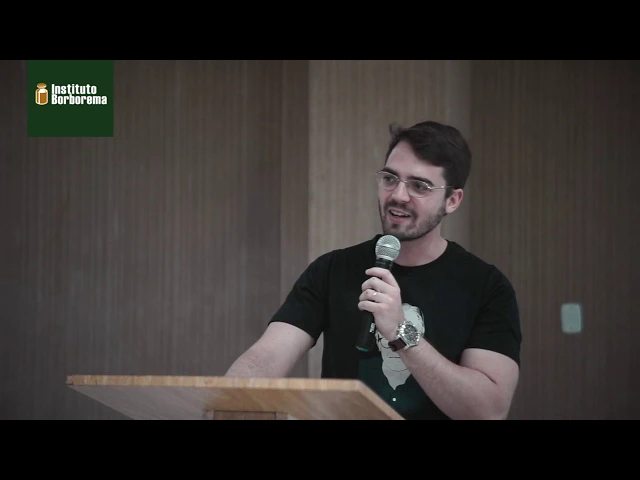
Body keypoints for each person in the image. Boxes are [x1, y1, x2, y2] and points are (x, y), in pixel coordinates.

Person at [225, 120, 522, 420]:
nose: (399, 195)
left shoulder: (487, 287)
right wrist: (229, 398)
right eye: (390, 179)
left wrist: (400, 332)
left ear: (452, 200)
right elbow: (266, 357)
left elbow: (488, 411)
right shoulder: (332, 270)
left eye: (419, 186)